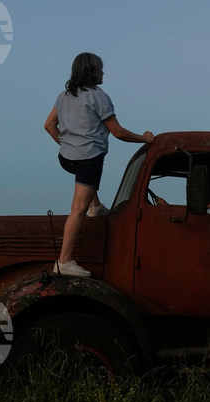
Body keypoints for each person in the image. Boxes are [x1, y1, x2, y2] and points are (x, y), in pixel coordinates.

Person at [44, 52, 155, 277]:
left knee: (87, 186)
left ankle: (96, 206)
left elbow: (48, 125)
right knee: (77, 209)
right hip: (88, 160)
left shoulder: (64, 96)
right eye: (101, 69)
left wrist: (66, 145)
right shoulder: (98, 96)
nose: (103, 72)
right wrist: (145, 138)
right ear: (93, 71)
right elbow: (118, 132)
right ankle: (63, 262)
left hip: (66, 158)